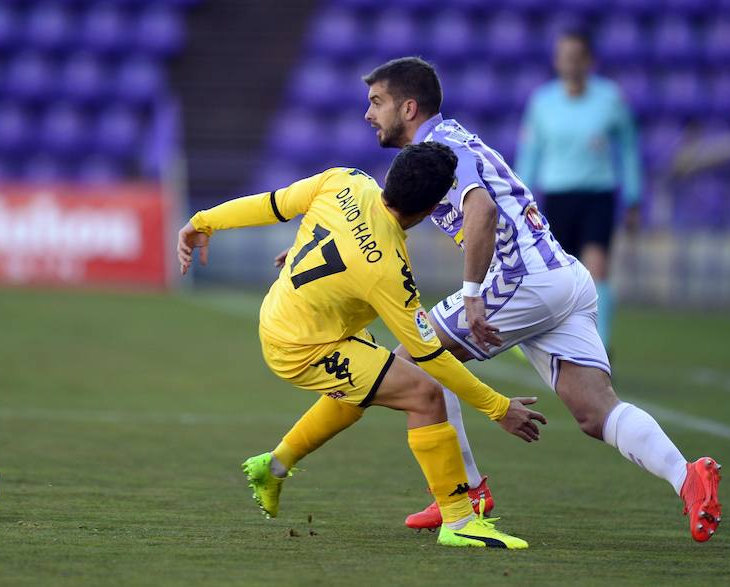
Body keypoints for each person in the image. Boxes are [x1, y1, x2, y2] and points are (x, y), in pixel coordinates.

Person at [270, 57, 721, 542]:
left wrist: (471, 297)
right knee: (595, 413)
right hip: (562, 276)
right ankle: (688, 476)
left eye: (376, 103)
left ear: (408, 106)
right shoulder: (446, 143)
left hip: (521, 278)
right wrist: (317, 245)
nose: (368, 114)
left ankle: (466, 494)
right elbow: (386, 211)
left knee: (415, 364)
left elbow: (480, 211)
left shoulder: (440, 146)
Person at [178, 142, 545, 549]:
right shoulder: (388, 269)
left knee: (364, 390)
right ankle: (459, 520)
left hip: (292, 313)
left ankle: (275, 465)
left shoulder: (345, 180)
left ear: (390, 175)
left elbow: (273, 204)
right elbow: (430, 356)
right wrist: (498, 407)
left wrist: (203, 221)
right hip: (302, 346)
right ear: (430, 210)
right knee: (424, 392)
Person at [516, 29, 642, 351]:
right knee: (563, 278)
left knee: (596, 268)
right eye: (564, 56)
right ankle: (566, 343)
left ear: (589, 61)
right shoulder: (542, 102)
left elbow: (628, 147)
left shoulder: (610, 98)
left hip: (597, 194)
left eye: (576, 56)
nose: (569, 63)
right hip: (557, 196)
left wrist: (633, 196)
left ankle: (600, 346)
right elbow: (531, 152)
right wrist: (518, 197)